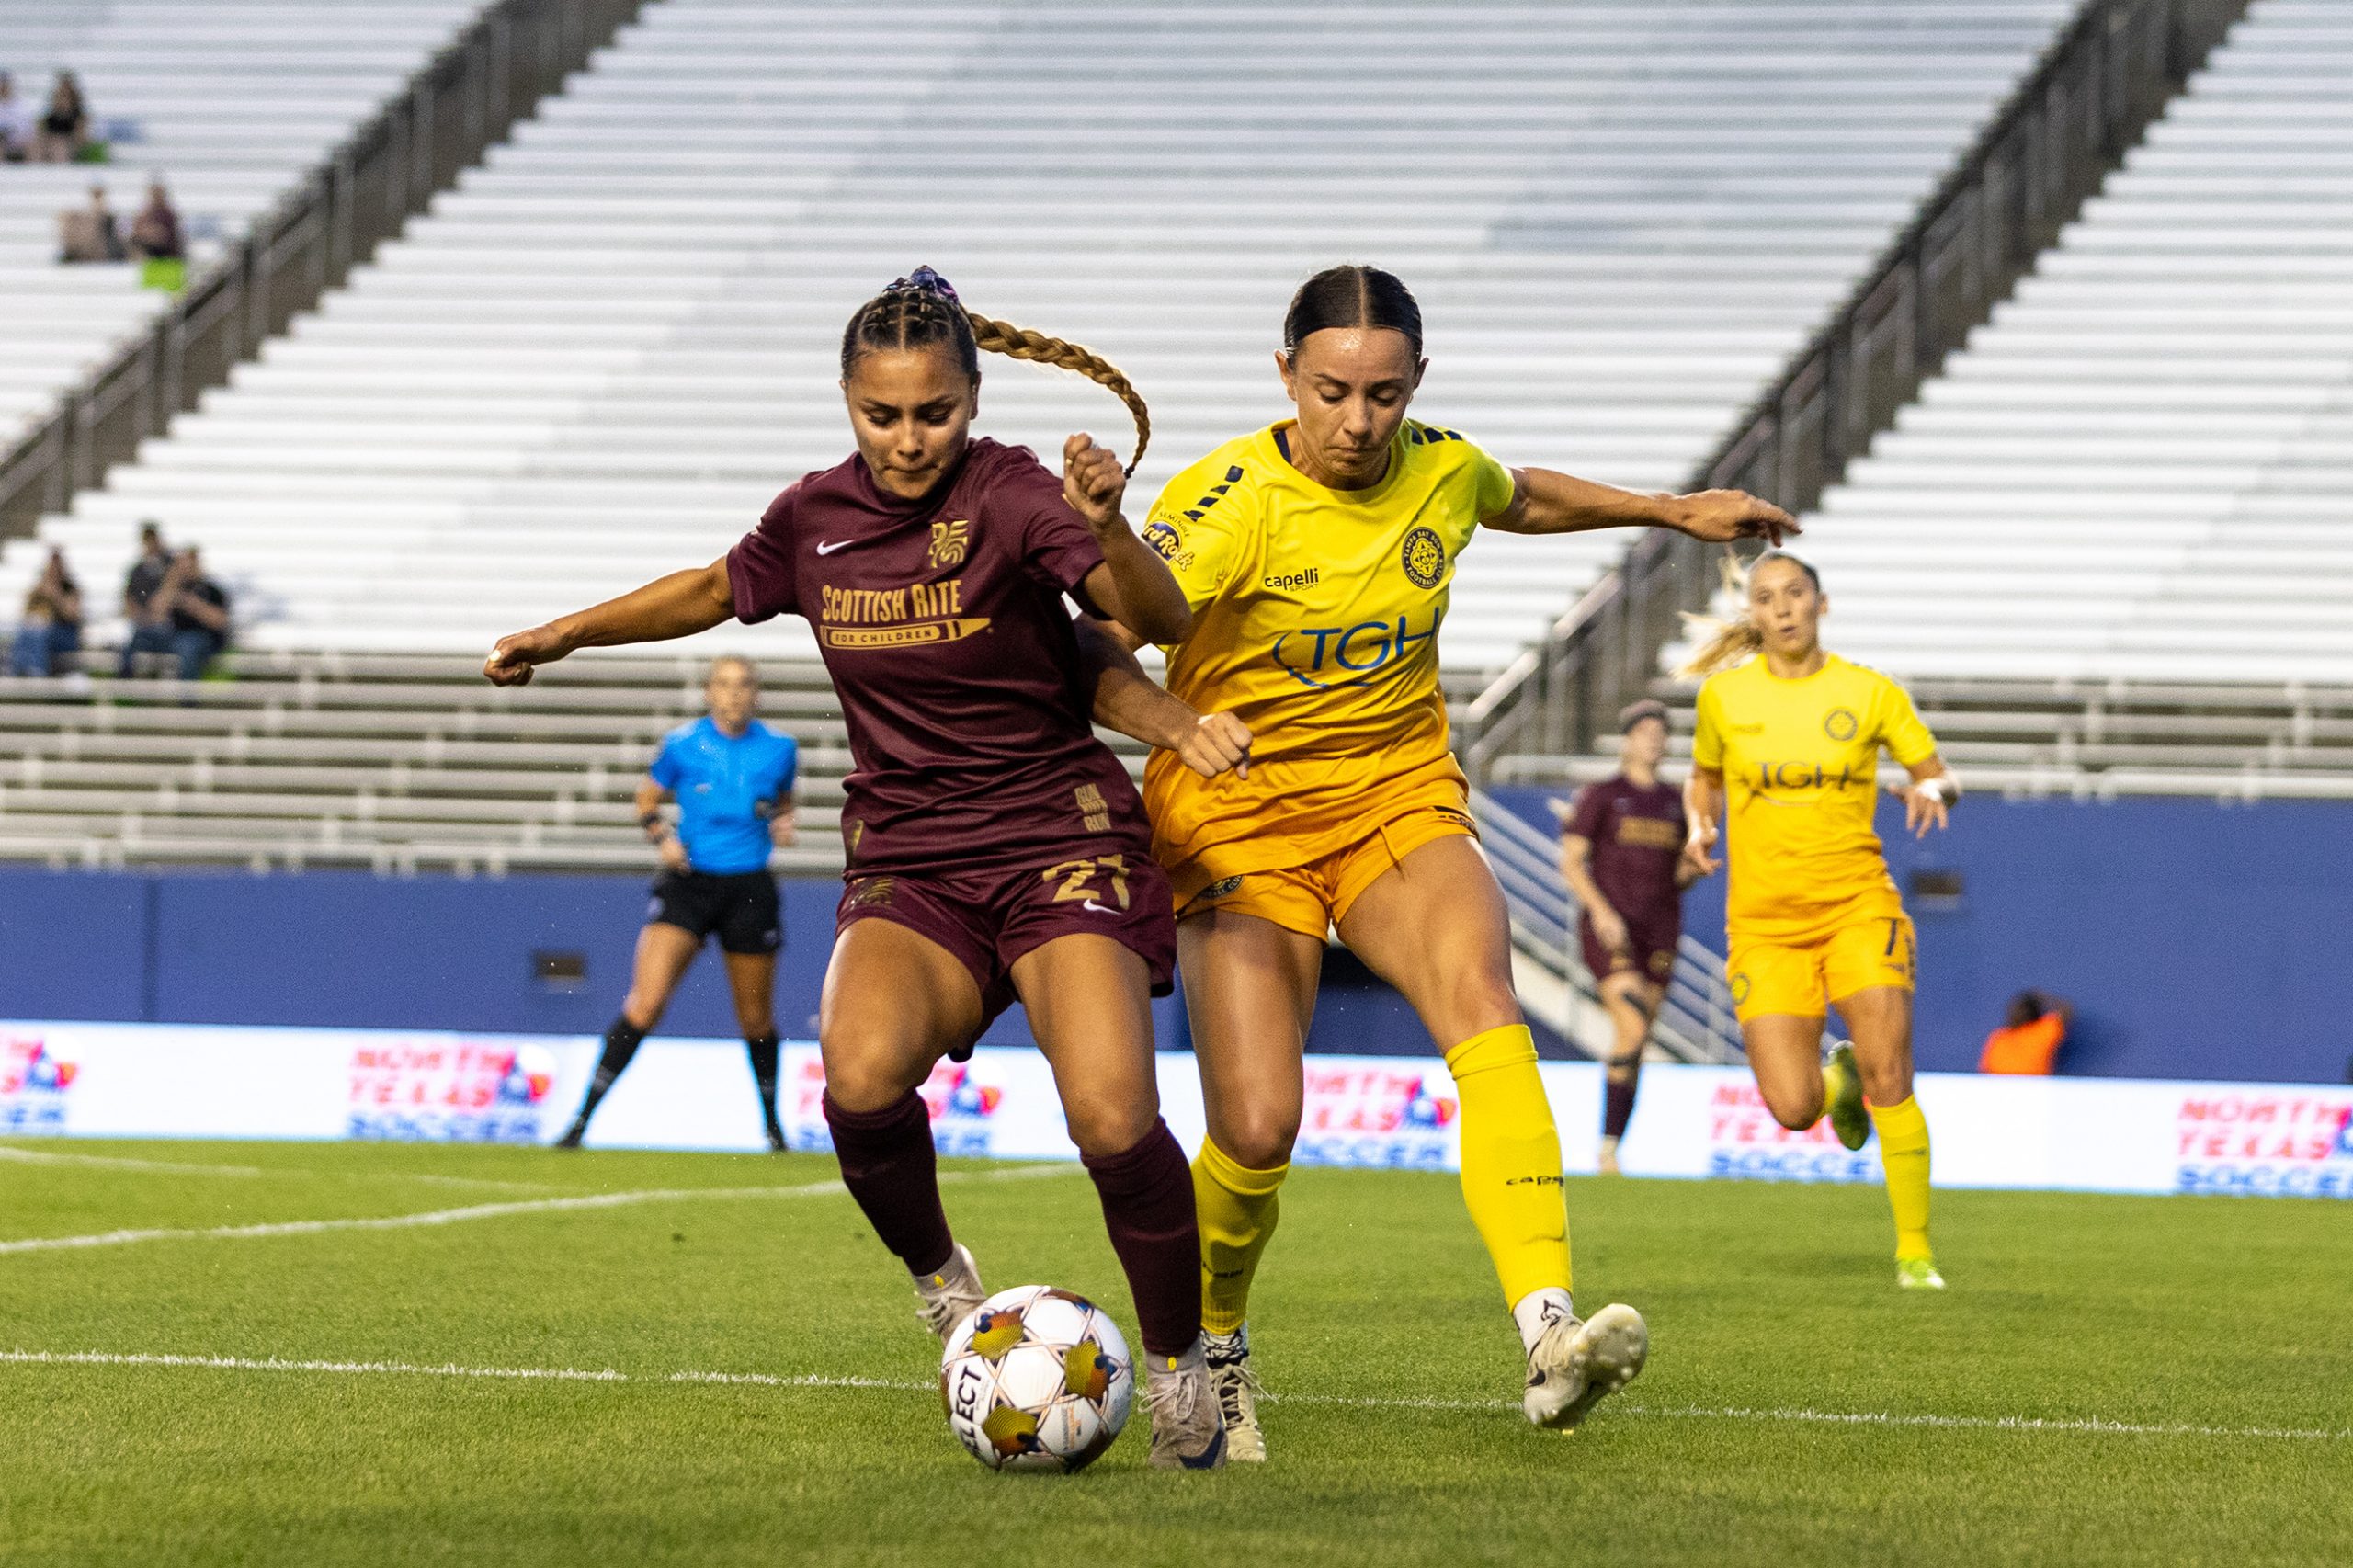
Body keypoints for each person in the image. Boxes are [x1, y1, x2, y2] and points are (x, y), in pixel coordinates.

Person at [483, 267, 1246, 1470]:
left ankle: (1176, 1369)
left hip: (1055, 837)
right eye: (881, 414)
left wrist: (1106, 523)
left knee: (1111, 1117)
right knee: (858, 1076)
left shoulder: (1012, 493)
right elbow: (709, 588)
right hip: (912, 856)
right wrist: (569, 629)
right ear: (848, 401)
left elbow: (1155, 616)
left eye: (932, 413)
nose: (906, 439)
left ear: (971, 398)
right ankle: (946, 1283)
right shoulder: (814, 515)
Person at [1078, 264, 1794, 1460]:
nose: (1360, 421)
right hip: (1239, 809)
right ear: (1286, 377)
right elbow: (1129, 619)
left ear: (1416, 386)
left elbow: (1522, 498)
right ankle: (1211, 1353)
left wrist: (1671, 510)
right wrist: (1105, 531)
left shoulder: (1441, 466)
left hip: (1398, 795)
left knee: (1484, 1005)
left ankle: (1548, 1335)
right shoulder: (1229, 497)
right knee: (1256, 1126)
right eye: (1333, 391)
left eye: (1386, 394)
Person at [1681, 551, 1960, 1291]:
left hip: (1857, 908)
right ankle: (1836, 1086)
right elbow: (1704, 780)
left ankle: (1914, 1252)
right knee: (1793, 1107)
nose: (1782, 608)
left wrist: (1934, 788)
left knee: (1891, 1074)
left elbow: (1937, 771)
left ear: (1820, 604)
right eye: (1766, 598)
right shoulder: (1724, 699)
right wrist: (1698, 828)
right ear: (1755, 614)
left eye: (1795, 594)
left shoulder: (1868, 692)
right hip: (1765, 924)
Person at [555, 656, 800, 1150]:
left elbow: (784, 800)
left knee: (755, 1019)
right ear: (709, 693)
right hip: (689, 884)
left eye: (743, 685)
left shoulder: (780, 749)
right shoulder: (683, 745)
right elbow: (646, 800)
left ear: (757, 695)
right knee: (645, 1003)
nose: (734, 694)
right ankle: (580, 1121)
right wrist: (660, 835)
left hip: (750, 888)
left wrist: (783, 822)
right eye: (724, 685)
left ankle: (773, 1128)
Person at [1559, 699, 1703, 1176]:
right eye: (1645, 731)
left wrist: (1696, 866)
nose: (1654, 740)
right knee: (1634, 1024)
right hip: (1611, 930)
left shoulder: (1675, 801)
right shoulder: (1602, 795)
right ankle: (1607, 1148)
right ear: (1628, 738)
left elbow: (1677, 875)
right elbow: (1571, 863)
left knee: (1635, 1041)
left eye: (1661, 733)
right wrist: (1601, 912)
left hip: (1660, 930)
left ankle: (1610, 1148)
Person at [124, 547, 231, 681]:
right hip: (174, 637)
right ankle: (124, 679)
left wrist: (191, 604)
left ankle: (187, 698)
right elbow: (155, 613)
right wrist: (172, 581)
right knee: (142, 635)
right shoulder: (173, 588)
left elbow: (220, 621)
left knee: (187, 647)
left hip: (202, 639)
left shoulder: (211, 590)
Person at [8, 549, 83, 677]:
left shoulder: (70, 588)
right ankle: (19, 671)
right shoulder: (40, 589)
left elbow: (72, 616)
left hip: (64, 633)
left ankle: (37, 672)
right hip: (41, 629)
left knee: (41, 635)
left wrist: (55, 595)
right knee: (24, 632)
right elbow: (26, 612)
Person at [1980, 991, 2071, 1075]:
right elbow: (1985, 1069)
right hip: (1999, 1088)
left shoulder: (2041, 1032)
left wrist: (2039, 998)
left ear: (2031, 1014)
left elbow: (2066, 1011)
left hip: (2033, 1088)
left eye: (2022, 1011)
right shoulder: (1999, 1036)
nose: (2015, 1014)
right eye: (2015, 1010)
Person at [32, 72, 88, 164]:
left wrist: (62, 140)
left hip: (69, 146)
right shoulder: (50, 114)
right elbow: (41, 132)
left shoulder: (79, 115)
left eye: (65, 95)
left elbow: (81, 138)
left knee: (59, 147)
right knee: (35, 147)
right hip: (50, 143)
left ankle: (60, 175)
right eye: (61, 95)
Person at [58, 185, 122, 264]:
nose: (99, 202)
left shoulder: (110, 221)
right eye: (96, 197)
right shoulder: (81, 221)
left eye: (100, 198)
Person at [126, 179, 184, 262]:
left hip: (167, 259)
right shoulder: (145, 213)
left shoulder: (167, 214)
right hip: (150, 260)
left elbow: (164, 237)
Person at [0, 74, 34, 162]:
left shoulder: (22, 105)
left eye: (5, 85)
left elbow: (28, 128)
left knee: (33, 145)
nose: (3, 88)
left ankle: (33, 173)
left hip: (19, 140)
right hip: (2, 142)